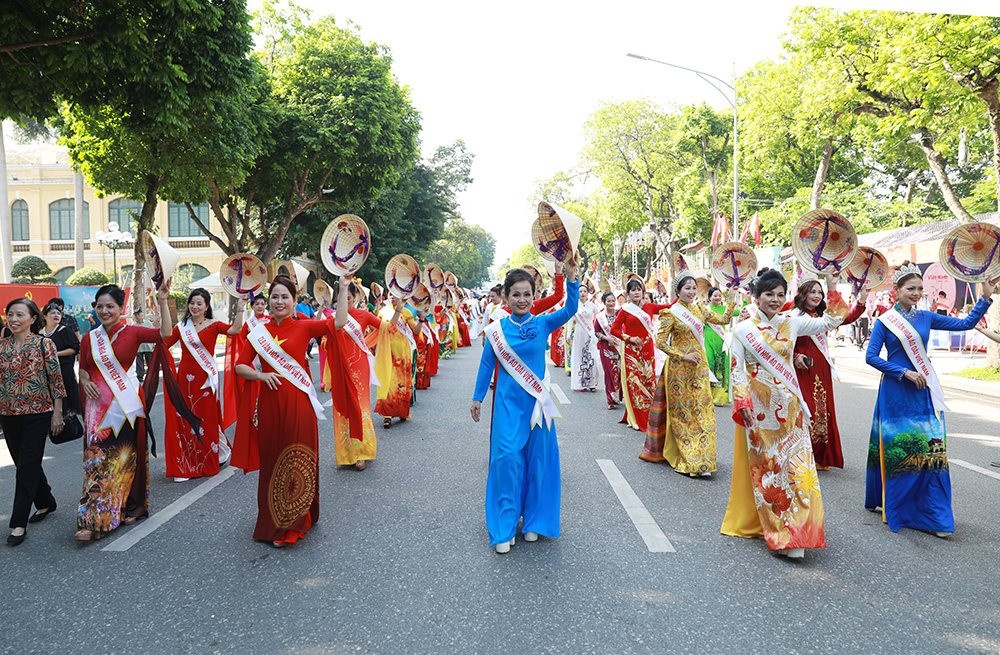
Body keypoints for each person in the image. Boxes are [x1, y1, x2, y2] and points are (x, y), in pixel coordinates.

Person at [721, 268, 848, 559]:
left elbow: (832, 319)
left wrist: (832, 284)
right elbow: (737, 369)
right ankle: (780, 530)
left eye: (780, 295)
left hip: (792, 407)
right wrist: (743, 404)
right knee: (772, 473)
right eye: (769, 295)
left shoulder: (791, 324)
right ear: (756, 297)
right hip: (761, 412)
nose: (775, 300)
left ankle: (800, 531)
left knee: (800, 470)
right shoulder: (742, 330)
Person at [864, 263, 994, 536]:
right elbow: (871, 357)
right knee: (902, 447)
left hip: (924, 391)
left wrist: (984, 297)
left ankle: (934, 513)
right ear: (896, 291)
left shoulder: (927, 317)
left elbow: (965, 324)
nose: (916, 293)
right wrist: (903, 372)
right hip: (898, 391)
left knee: (932, 449)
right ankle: (900, 504)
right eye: (910, 288)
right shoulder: (885, 321)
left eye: (920, 289)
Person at [470, 256, 580, 554]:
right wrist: (477, 397)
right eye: (516, 294)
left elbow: (570, 308)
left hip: (537, 406)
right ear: (505, 297)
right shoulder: (496, 330)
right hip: (508, 405)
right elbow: (485, 365)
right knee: (507, 460)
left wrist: (570, 279)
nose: (522, 299)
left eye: (527, 294)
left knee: (538, 462)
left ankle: (534, 521)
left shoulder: (543, 322)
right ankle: (504, 526)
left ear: (534, 296)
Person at [76, 284, 201, 542]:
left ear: (121, 308)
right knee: (96, 462)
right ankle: (95, 517)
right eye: (100, 306)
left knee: (122, 460)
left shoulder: (133, 333)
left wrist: (163, 299)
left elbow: (165, 334)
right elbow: (85, 369)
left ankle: (121, 510)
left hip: (124, 407)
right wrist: (84, 381)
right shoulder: (90, 338)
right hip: (97, 409)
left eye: (110, 306)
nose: (104, 310)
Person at [234, 276, 334, 548]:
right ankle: (272, 520)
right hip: (269, 405)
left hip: (298, 404)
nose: (279, 302)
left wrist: (345, 284)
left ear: (294, 300)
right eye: (274, 297)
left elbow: (338, 324)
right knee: (273, 458)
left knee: (296, 455)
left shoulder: (304, 327)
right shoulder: (258, 332)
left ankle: (294, 524)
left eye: (284, 297)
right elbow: (239, 366)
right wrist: (260, 375)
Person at [642, 275, 735, 475]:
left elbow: (724, 319)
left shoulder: (700, 309)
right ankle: (689, 458)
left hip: (700, 368)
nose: (691, 292)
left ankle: (704, 458)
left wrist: (733, 297)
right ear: (678, 291)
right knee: (684, 415)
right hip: (679, 371)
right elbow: (661, 342)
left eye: (694, 288)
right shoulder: (670, 313)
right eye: (687, 288)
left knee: (704, 413)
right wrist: (683, 355)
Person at [1, 298, 66, 546]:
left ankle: (18, 523)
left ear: (32, 318)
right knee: (23, 463)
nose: (14, 319)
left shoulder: (44, 344)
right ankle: (46, 502)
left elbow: (56, 381)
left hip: (38, 413)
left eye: (19, 314)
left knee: (27, 465)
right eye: (10, 314)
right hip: (8, 414)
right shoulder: (2, 346)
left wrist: (57, 413)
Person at [162, 288, 243, 482]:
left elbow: (235, 330)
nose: (195, 306)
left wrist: (240, 309)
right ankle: (188, 462)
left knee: (206, 419)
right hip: (185, 380)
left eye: (199, 303)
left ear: (206, 306)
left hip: (206, 380)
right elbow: (165, 343)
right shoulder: (182, 327)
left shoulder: (214, 325)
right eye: (192, 303)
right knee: (186, 419)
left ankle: (209, 457)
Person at [790, 279, 867, 470]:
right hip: (803, 369)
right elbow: (783, 344)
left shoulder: (823, 315)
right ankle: (803, 454)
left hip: (821, 368)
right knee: (807, 409)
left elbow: (846, 318)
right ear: (803, 294)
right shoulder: (793, 316)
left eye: (820, 292)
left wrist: (862, 301)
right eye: (812, 292)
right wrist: (796, 356)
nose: (817, 296)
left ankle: (820, 456)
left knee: (822, 410)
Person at [329, 278, 398, 469]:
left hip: (359, 367)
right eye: (342, 300)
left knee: (360, 407)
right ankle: (346, 453)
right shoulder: (333, 318)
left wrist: (398, 310)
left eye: (349, 298)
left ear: (356, 297)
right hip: (341, 367)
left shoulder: (364, 315)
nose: (346, 303)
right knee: (343, 408)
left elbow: (387, 328)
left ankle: (361, 452)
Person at [609, 279, 670, 432]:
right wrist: (629, 338)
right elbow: (614, 330)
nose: (636, 292)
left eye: (639, 289)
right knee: (635, 382)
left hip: (648, 350)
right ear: (628, 294)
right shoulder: (625, 310)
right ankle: (636, 416)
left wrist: (679, 291)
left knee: (648, 381)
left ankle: (650, 414)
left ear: (643, 292)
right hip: (631, 351)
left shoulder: (650, 307)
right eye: (633, 290)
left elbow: (669, 307)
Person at [230, 294, 268, 473]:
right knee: (256, 405)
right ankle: (257, 435)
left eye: (262, 303)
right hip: (255, 368)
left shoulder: (271, 320)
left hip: (271, 366)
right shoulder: (249, 325)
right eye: (257, 304)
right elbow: (240, 343)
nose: (260, 306)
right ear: (252, 306)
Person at [376, 297, 418, 429]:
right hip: (387, 352)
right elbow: (379, 329)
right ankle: (387, 415)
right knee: (388, 382)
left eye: (397, 295)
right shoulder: (383, 312)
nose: (394, 297)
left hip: (403, 353)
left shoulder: (406, 313)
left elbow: (416, 331)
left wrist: (422, 319)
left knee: (402, 383)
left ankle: (402, 411)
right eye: (392, 294)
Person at [40, 301, 82, 418]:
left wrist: (54, 354)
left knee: (66, 400)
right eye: (53, 313)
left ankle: (65, 419)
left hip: (64, 370)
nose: (56, 315)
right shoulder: (39, 333)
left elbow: (74, 348)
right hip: (45, 373)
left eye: (59, 313)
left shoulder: (65, 330)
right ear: (45, 316)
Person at [594, 291, 623, 410]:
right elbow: (596, 332)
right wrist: (607, 338)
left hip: (619, 346)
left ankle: (617, 395)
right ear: (604, 302)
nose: (611, 303)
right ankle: (610, 399)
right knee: (609, 372)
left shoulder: (620, 313)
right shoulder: (600, 317)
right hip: (606, 347)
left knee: (619, 372)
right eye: (608, 301)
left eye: (613, 301)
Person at [704, 287, 732, 406]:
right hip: (709, 341)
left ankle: (720, 396)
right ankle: (708, 395)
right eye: (715, 295)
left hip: (722, 342)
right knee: (710, 364)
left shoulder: (725, 309)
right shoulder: (705, 310)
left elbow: (738, 311)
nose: (717, 297)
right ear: (710, 297)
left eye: (719, 295)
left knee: (721, 368)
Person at [569, 285, 600, 392]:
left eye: (584, 291)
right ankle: (580, 383)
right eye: (580, 291)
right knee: (579, 358)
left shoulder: (592, 306)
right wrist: (569, 335)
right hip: (579, 334)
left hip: (590, 334)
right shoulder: (574, 306)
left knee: (593, 358)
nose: (582, 293)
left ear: (588, 293)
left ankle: (592, 383)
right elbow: (570, 321)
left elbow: (600, 317)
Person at [132, 309, 155, 382]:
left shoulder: (148, 323)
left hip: (148, 346)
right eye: (137, 315)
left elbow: (153, 332)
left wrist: (154, 343)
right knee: (139, 363)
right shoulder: (134, 326)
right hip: (139, 348)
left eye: (141, 315)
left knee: (150, 362)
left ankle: (151, 376)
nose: (140, 317)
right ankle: (140, 376)